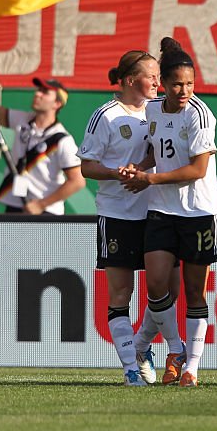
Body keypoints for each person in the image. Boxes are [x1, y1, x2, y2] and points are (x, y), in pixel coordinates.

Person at [121, 37, 217, 387]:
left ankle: (191, 366)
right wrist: (139, 166)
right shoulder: (152, 110)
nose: (184, 90)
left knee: (195, 293)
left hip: (199, 212)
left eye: (190, 83)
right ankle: (175, 349)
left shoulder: (200, 115)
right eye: (177, 83)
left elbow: (196, 170)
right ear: (163, 83)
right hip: (163, 210)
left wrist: (150, 178)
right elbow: (158, 152)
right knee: (157, 284)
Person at [79, 50, 176, 386]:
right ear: (132, 79)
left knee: (164, 288)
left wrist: (145, 169)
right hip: (117, 214)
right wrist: (116, 173)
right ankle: (130, 368)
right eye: (152, 76)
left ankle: (141, 345)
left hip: (158, 212)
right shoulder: (105, 116)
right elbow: (86, 166)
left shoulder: (161, 110)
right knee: (121, 295)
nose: (158, 83)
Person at [0, 77, 83, 215]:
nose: (37, 94)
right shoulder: (22, 120)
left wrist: (41, 205)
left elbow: (77, 181)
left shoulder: (62, 140)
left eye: (45, 92)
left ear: (57, 103)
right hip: (16, 205)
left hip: (45, 212)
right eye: (38, 90)